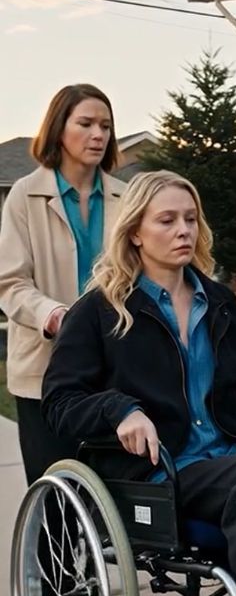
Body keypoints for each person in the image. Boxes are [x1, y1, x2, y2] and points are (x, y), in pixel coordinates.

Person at [41, 170, 236, 596]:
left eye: (190, 219)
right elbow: (60, 401)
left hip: (227, 459)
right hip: (158, 471)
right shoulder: (99, 311)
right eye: (167, 220)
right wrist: (119, 410)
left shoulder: (219, 303)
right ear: (135, 232)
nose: (184, 231)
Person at [0, 83, 126, 486]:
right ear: (58, 128)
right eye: (85, 124)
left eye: (105, 126)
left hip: (113, 370)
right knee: (55, 491)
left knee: (113, 494)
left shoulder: (127, 198)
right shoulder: (24, 196)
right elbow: (10, 283)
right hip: (44, 370)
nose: (98, 135)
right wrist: (53, 315)